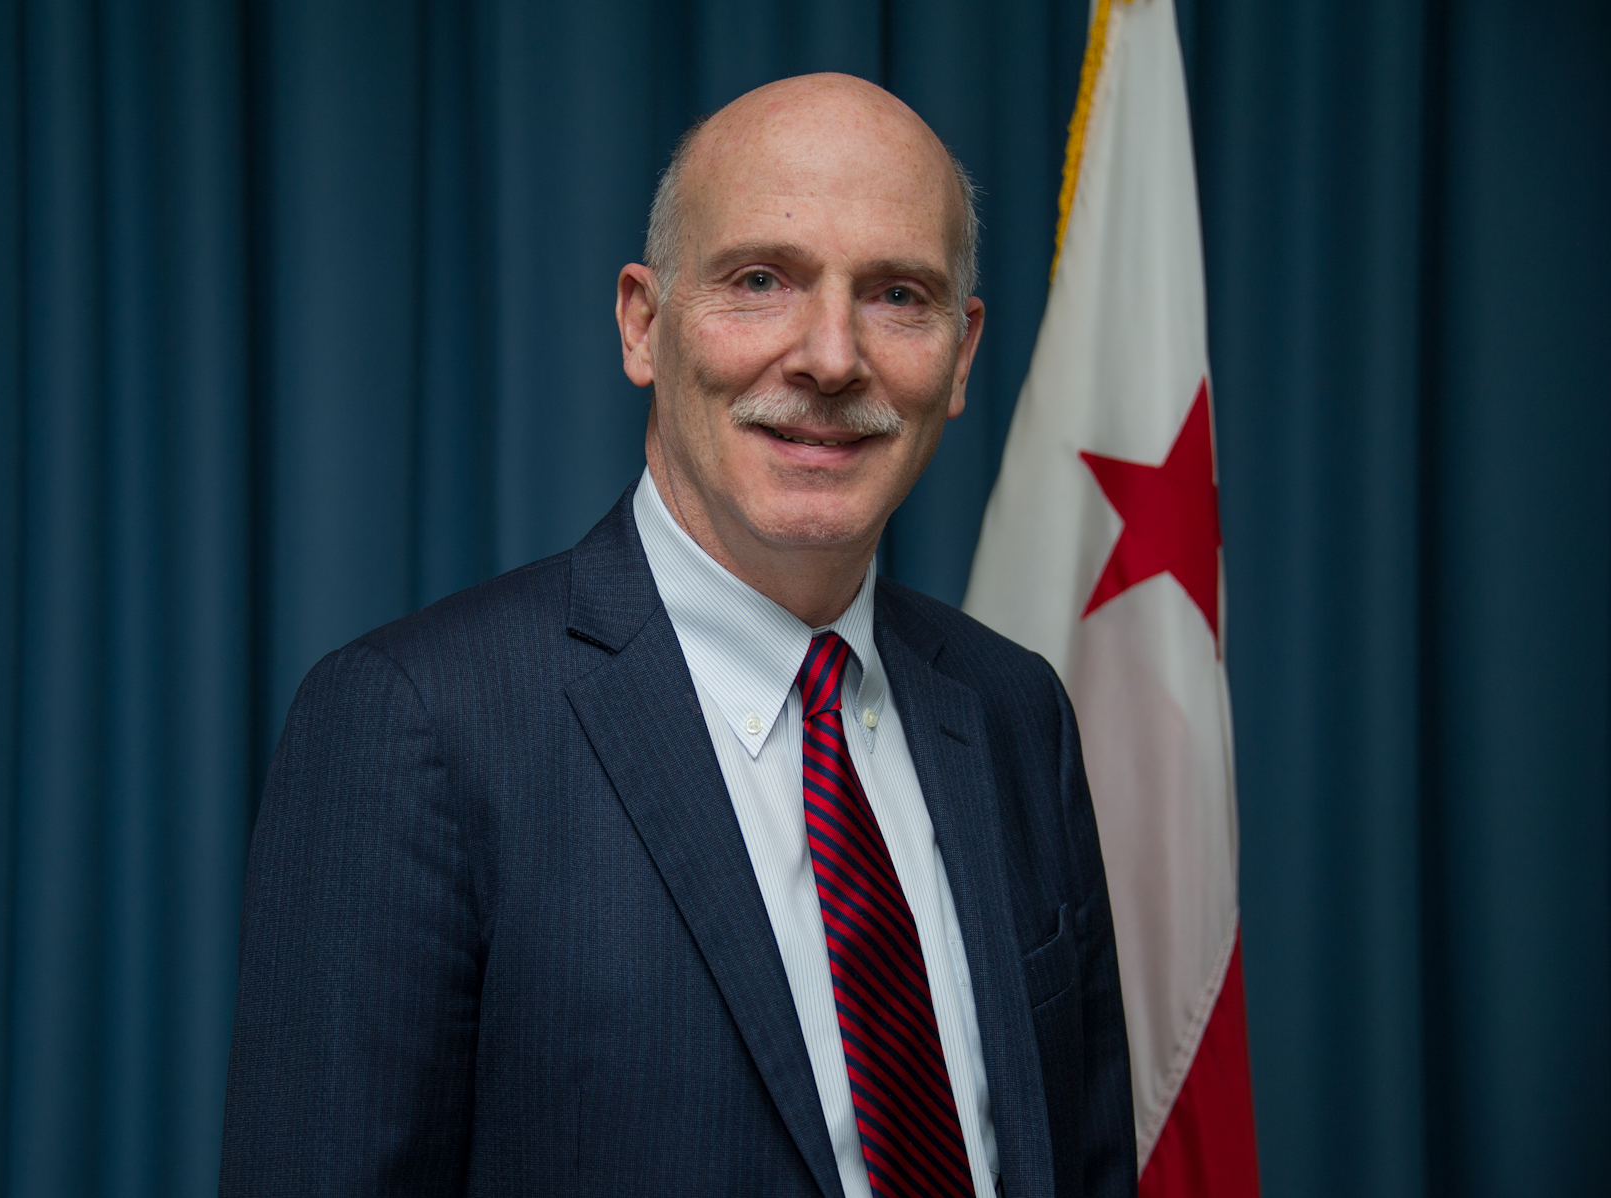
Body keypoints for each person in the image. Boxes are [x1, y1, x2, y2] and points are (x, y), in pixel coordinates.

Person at [219, 73, 1135, 1198]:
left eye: (898, 294)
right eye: (762, 280)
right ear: (643, 325)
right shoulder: (415, 727)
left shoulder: (1013, 711)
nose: (832, 356)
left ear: (961, 352)